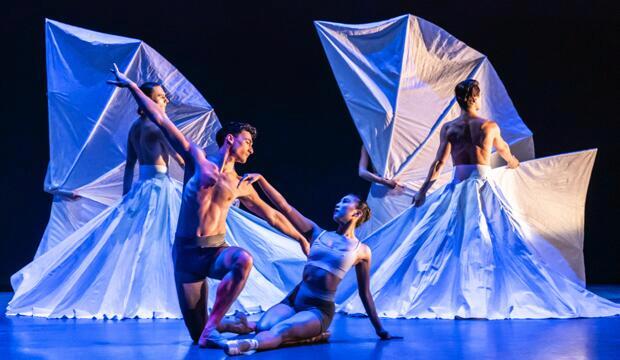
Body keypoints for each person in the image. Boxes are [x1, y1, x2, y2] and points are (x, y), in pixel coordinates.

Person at [338, 79, 620, 319]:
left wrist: (424, 191)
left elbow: (438, 164)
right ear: (476, 98)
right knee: (492, 237)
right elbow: (505, 153)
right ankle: (481, 289)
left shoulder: (450, 128)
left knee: (452, 239)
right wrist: (511, 162)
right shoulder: (489, 126)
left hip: (460, 184)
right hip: (481, 184)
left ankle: (458, 289)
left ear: (458, 100)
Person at [108, 64, 310, 347]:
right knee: (195, 333)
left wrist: (300, 237)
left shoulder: (242, 184)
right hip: (186, 255)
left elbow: (273, 215)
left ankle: (214, 327)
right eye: (248, 142)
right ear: (230, 138)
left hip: (216, 251)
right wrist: (131, 86)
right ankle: (233, 325)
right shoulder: (196, 158)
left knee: (243, 260)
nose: (251, 149)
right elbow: (161, 120)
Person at [8, 82, 186, 319]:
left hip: (141, 187)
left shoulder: (135, 127)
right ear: (148, 102)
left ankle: (136, 289)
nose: (165, 101)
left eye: (164, 97)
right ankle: (164, 291)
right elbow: (182, 159)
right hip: (159, 186)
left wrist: (126, 198)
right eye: (160, 97)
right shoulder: (160, 127)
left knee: (137, 241)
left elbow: (130, 166)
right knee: (162, 237)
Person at [221, 174, 399, 355]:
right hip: (294, 300)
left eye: (345, 202)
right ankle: (306, 336)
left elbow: (365, 292)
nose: (338, 205)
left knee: (280, 331)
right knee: (263, 327)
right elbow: (284, 207)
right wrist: (261, 180)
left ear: (357, 213)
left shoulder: (362, 251)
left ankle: (247, 345)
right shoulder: (317, 233)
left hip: (318, 310)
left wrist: (380, 329)